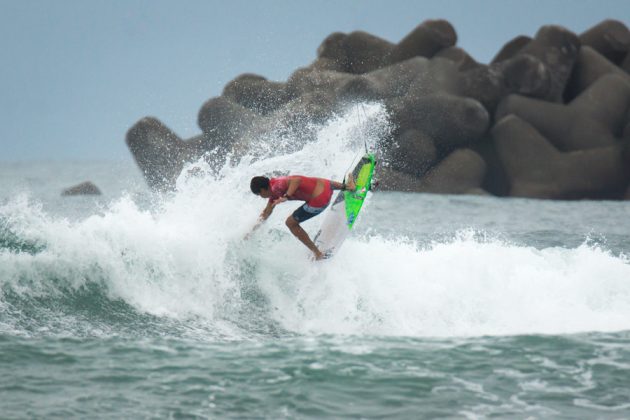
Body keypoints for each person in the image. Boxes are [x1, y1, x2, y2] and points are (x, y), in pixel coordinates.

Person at [248, 174, 355, 259]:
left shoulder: (277, 186)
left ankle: (317, 253)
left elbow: (297, 180)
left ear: (262, 190)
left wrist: (286, 196)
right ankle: (347, 187)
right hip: (327, 188)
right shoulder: (274, 187)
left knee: (290, 223)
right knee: (314, 181)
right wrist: (251, 231)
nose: (261, 197)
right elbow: (267, 212)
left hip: (319, 201)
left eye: (259, 194)